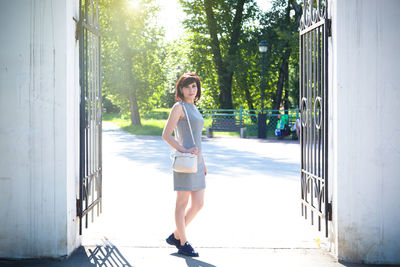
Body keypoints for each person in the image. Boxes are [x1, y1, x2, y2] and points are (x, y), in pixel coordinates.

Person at [162, 72, 207, 257]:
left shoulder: (194, 107)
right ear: (181, 89)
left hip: (197, 162)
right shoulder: (178, 107)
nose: (191, 90)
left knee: (198, 204)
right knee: (182, 203)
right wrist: (185, 150)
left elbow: (197, 139)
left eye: (194, 86)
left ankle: (175, 235)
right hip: (185, 162)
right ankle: (183, 242)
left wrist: (203, 162)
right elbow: (166, 135)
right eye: (187, 86)